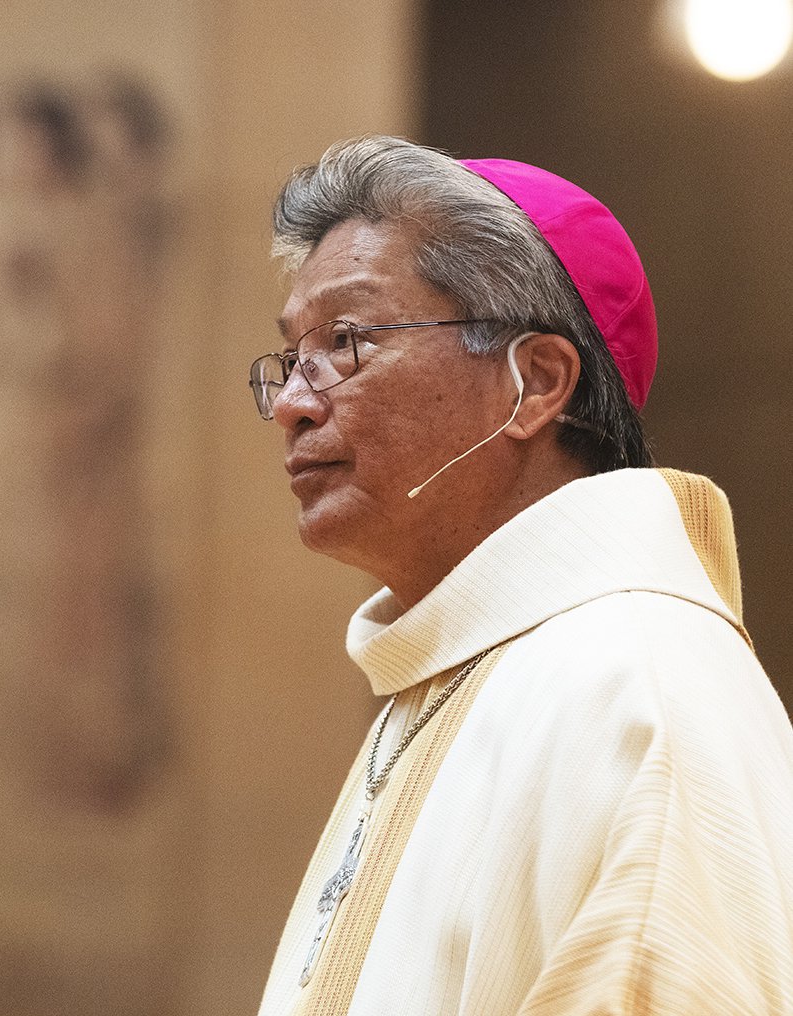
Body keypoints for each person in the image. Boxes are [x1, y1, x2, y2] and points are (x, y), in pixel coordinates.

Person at [251, 136, 793, 1016]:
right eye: (292, 357)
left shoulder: (632, 688)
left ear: (534, 383)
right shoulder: (458, 676)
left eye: (347, 341)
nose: (291, 402)